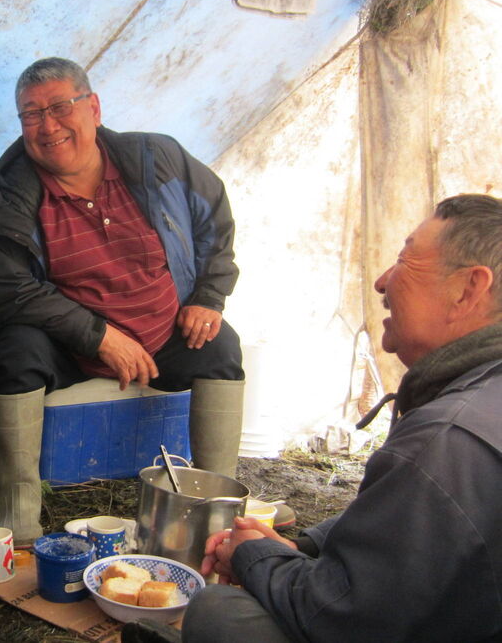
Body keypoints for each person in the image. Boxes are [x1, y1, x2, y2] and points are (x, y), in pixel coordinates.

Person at [123, 193, 502, 643]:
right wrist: (305, 546)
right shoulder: (477, 398)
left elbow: (345, 617)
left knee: (219, 611)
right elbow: (402, 526)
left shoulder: (445, 440)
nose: (382, 282)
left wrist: (257, 558)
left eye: (404, 260)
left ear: (467, 289)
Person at [0, 57, 245, 546]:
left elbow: (212, 219)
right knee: (15, 351)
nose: (48, 126)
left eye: (60, 107)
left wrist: (209, 296)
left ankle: (217, 508)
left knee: (222, 347)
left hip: (161, 332)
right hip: (69, 346)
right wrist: (98, 335)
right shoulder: (13, 195)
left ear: (93, 106)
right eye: (31, 114)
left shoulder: (158, 159)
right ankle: (18, 516)